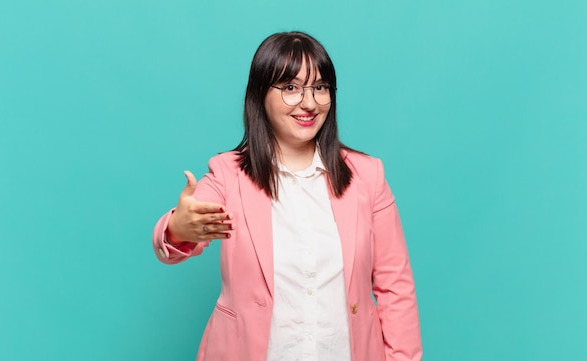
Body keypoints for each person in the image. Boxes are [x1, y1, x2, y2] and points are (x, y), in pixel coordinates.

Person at [152, 31, 422, 361]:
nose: (309, 103)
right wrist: (179, 228)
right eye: (291, 88)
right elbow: (184, 232)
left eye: (320, 87)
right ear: (260, 95)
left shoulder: (368, 175)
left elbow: (396, 286)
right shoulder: (228, 173)